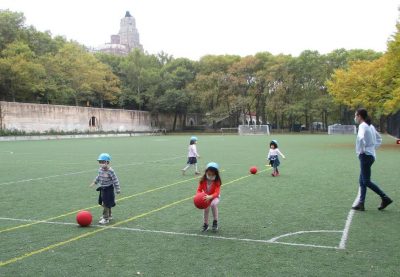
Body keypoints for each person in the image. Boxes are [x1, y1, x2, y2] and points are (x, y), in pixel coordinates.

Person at [352, 108, 393, 211]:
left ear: (359, 116)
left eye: (356, 115)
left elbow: (361, 138)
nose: (355, 117)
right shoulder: (370, 126)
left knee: (366, 181)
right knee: (362, 181)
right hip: (370, 155)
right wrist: (372, 148)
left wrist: (362, 150)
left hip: (365, 156)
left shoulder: (362, 126)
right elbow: (379, 138)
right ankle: (361, 203)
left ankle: (385, 198)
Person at [90, 153, 121, 224]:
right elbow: (99, 177)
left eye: (102, 162)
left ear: (107, 162)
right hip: (103, 189)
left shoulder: (111, 171)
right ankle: (109, 215)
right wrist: (94, 182)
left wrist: (118, 189)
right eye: (100, 162)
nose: (101, 164)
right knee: (104, 203)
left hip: (109, 189)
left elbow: (115, 180)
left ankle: (105, 218)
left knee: (106, 203)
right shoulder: (100, 170)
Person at [197, 162, 221, 232]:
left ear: (215, 173)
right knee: (206, 208)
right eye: (209, 174)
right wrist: (199, 196)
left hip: (214, 197)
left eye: (212, 174)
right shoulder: (203, 180)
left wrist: (210, 197)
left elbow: (217, 193)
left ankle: (215, 222)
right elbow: (198, 190)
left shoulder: (217, 181)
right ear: (206, 172)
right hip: (205, 197)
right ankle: (206, 224)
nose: (210, 176)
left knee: (213, 204)